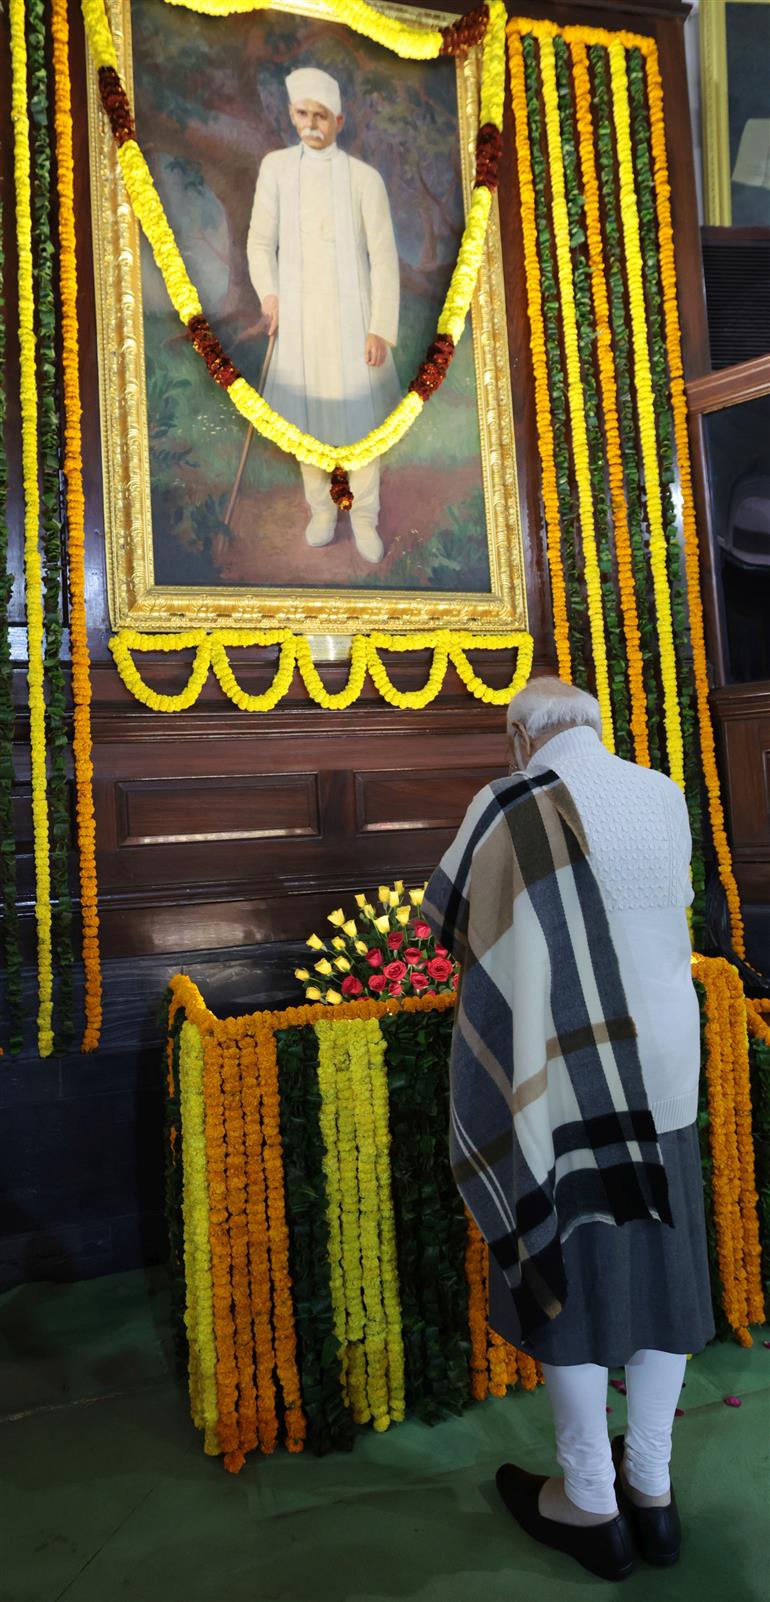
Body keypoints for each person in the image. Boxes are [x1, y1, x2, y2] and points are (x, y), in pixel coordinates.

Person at [423, 676, 715, 1583]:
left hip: (566, 1083)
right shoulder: (662, 791)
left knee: (574, 1274)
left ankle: (591, 1498)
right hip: (665, 1073)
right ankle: (654, 1495)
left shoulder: (505, 800)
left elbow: (452, 924)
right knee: (664, 1274)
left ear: (519, 737)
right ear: (595, 727)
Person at [247, 66, 401, 563]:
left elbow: (383, 257)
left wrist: (380, 326)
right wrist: (268, 294)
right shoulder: (274, 168)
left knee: (363, 423)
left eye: (320, 115)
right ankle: (321, 510)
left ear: (339, 118)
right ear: (291, 113)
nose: (310, 123)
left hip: (353, 320)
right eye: (301, 114)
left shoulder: (365, 179)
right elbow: (259, 241)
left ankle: (364, 516)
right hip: (298, 320)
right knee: (304, 422)